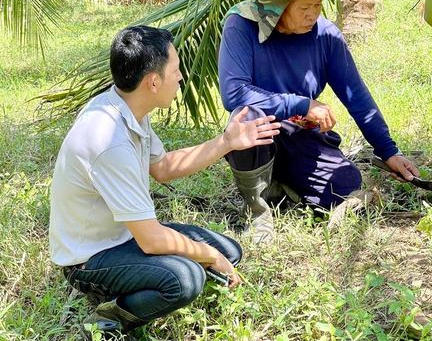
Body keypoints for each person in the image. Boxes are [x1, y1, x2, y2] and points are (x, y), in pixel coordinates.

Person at [49, 26, 280, 339]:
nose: (181, 77)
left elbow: (164, 167)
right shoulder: (108, 141)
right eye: (176, 70)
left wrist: (227, 142)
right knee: (185, 279)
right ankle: (108, 319)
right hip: (90, 259)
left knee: (229, 250)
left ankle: (159, 281)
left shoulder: (126, 107)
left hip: (125, 235)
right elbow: (152, 241)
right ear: (153, 81)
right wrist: (208, 257)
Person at [218, 0, 420, 244]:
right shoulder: (243, 26)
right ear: (279, 3)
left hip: (300, 133)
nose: (313, 13)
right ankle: (258, 211)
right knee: (248, 118)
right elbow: (234, 93)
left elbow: (356, 96)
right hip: (260, 129)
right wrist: (302, 103)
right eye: (304, 6)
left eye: (318, 4)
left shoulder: (326, 35)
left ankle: (281, 185)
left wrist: (388, 151)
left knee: (345, 185)